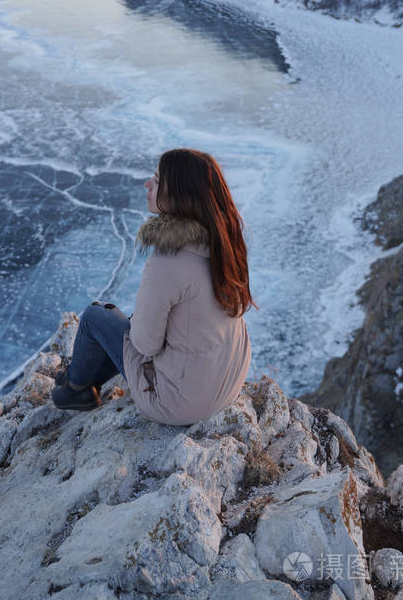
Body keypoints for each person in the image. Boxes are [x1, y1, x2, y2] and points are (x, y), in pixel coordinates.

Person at [51, 148, 255, 425]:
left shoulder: (169, 260)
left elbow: (145, 344)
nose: (147, 184)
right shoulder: (225, 243)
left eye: (157, 180)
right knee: (135, 323)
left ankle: (75, 390)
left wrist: (132, 327)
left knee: (95, 317)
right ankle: (81, 378)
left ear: (179, 194)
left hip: (178, 404)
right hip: (226, 385)